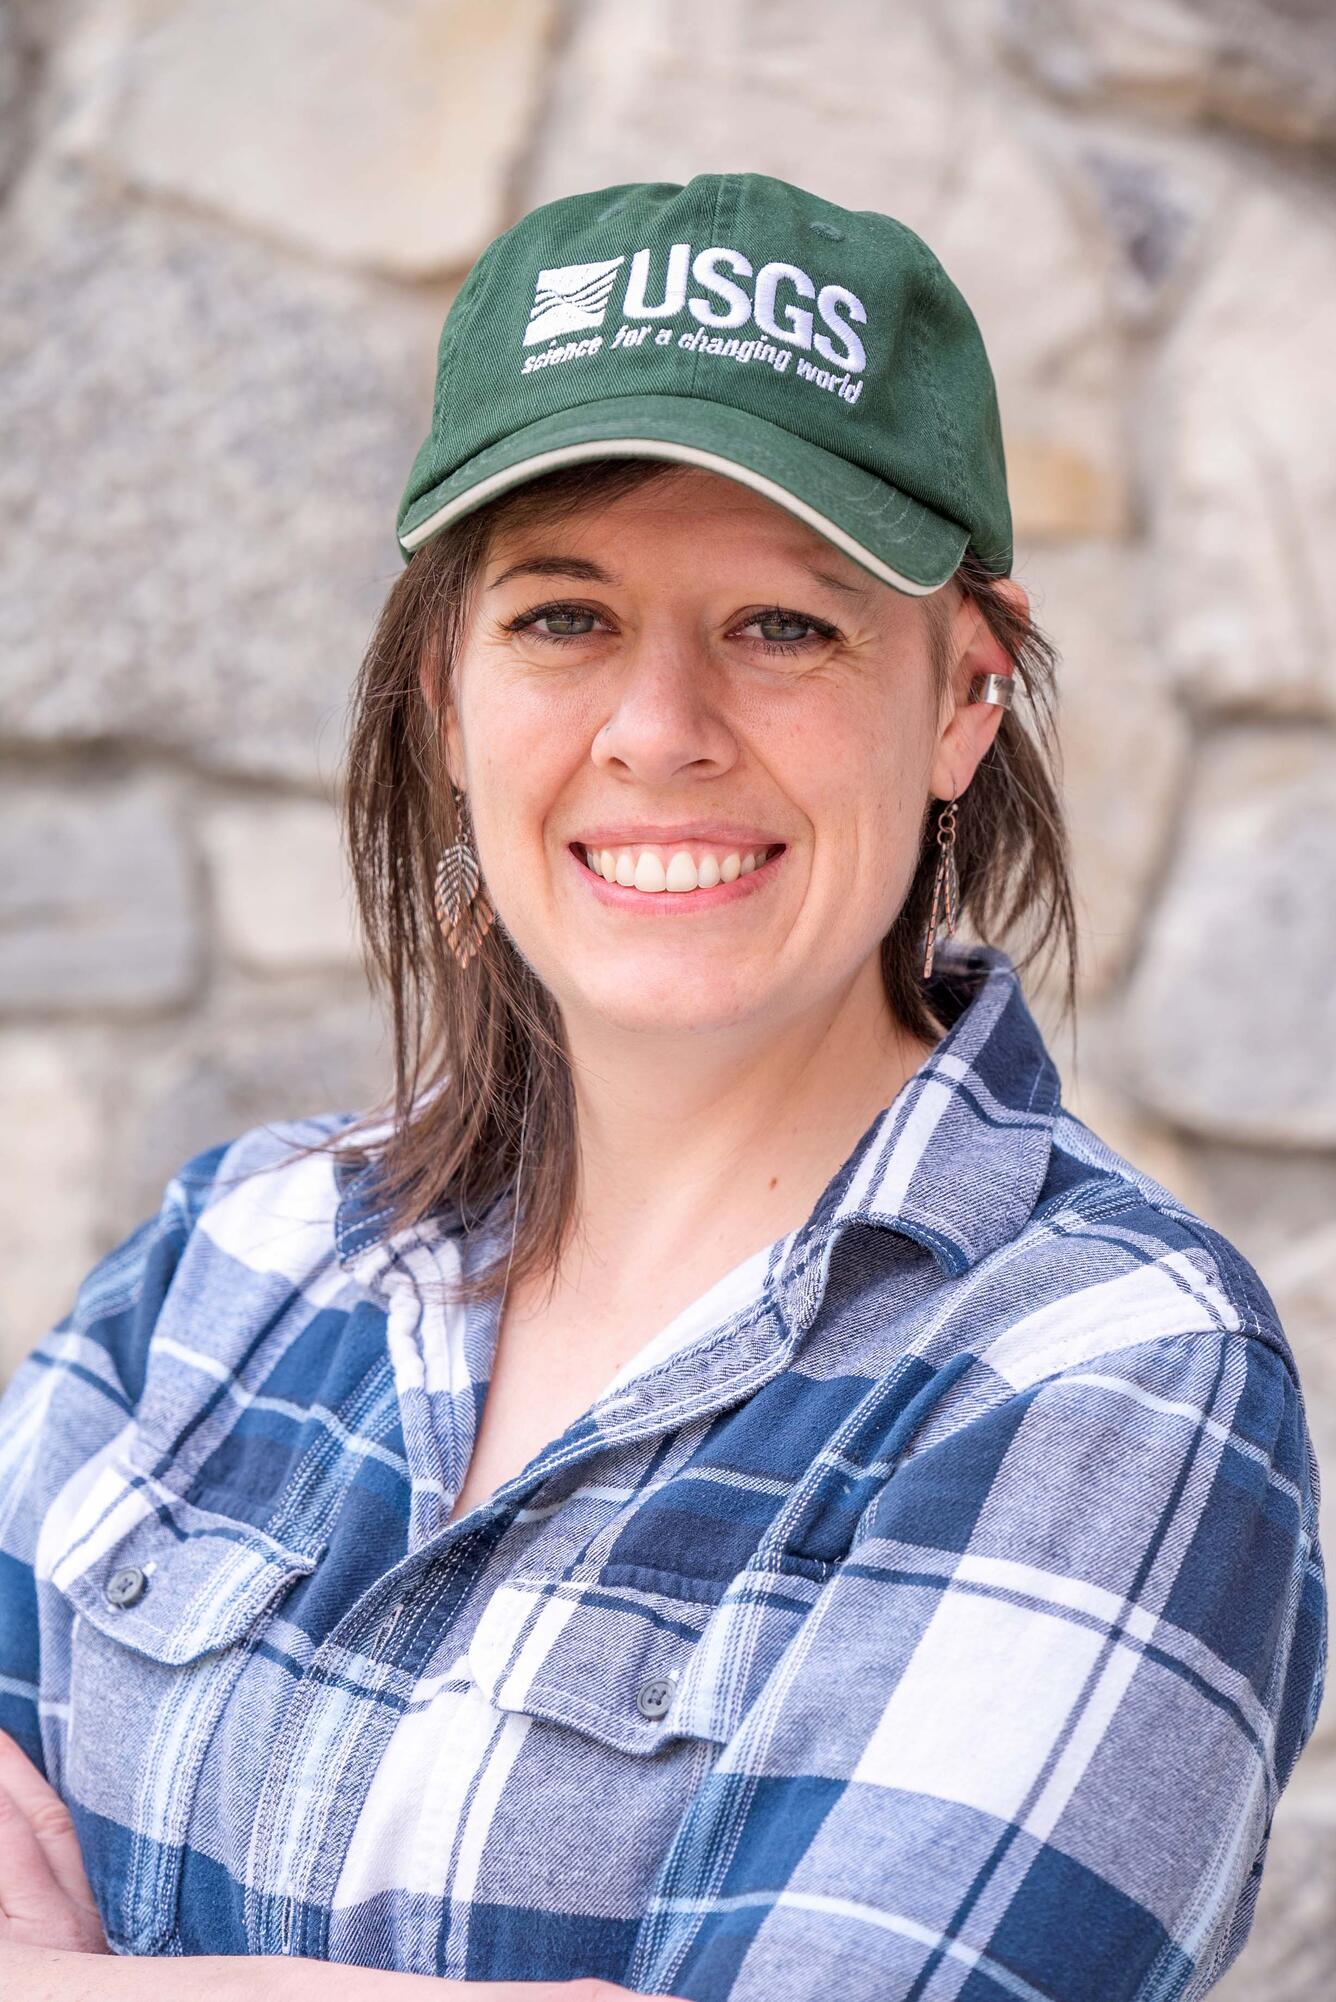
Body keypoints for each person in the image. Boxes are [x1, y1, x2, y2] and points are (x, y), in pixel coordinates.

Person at [0, 173, 1326, 2002]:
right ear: (446, 696)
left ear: (963, 695)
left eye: (785, 624)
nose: (659, 728)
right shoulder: (226, 1261)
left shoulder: (1110, 1371)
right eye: (563, 616)